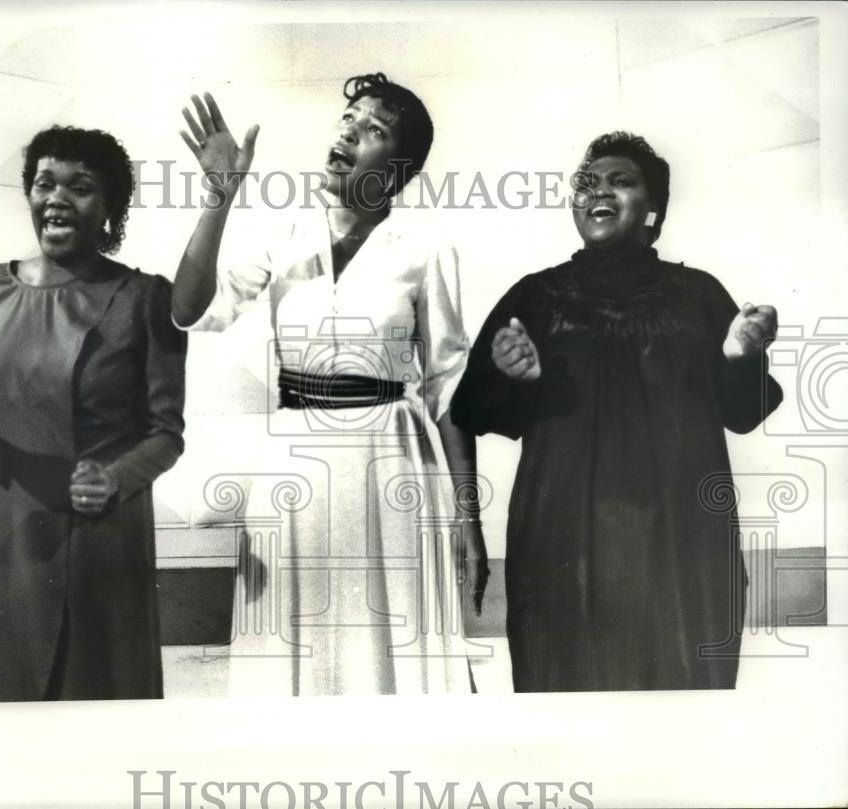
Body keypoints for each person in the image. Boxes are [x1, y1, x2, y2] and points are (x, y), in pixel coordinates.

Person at [172, 73, 489, 695]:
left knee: (394, 637)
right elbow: (187, 311)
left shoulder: (425, 249)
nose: (349, 130)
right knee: (295, 641)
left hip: (393, 464)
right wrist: (220, 195)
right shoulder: (282, 235)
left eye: (374, 129)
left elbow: (449, 387)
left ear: (399, 169)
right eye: (349, 118)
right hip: (295, 464)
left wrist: (468, 521)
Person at [451, 132, 783, 692]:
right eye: (587, 182)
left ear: (653, 209)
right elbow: (467, 410)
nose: (598, 191)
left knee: (685, 718)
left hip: (684, 543)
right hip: (564, 542)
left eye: (620, 181)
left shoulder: (697, 295)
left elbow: (744, 413)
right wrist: (518, 380)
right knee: (568, 714)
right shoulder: (534, 298)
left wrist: (741, 357)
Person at [0, 125, 187, 702]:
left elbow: (166, 434)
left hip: (100, 532)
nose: (56, 197)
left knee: (95, 712)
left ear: (108, 209)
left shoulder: (144, 299)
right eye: (44, 183)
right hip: (3, 535)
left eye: (80, 187)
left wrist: (116, 478)